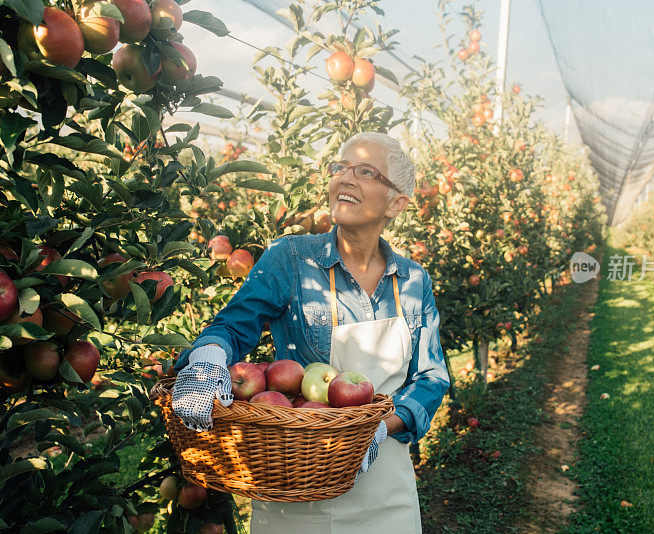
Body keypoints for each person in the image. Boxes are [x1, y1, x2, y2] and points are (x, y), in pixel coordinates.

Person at [171, 132, 450, 533]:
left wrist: (378, 427)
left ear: (397, 202)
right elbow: (233, 325)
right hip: (300, 484)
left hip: (386, 487)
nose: (345, 179)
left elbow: (431, 376)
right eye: (340, 167)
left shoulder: (412, 280)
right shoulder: (292, 258)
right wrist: (209, 356)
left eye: (366, 171)